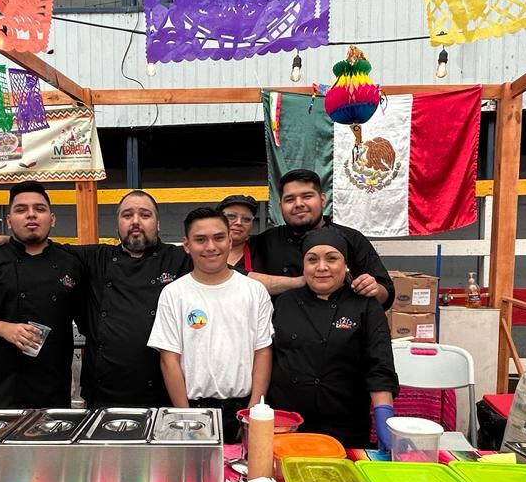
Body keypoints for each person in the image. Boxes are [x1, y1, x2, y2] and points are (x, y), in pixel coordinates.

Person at [0, 189, 191, 407]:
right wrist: (10, 240)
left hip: (163, 389)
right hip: (104, 392)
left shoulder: (181, 258)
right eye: (127, 215)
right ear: (117, 225)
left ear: (158, 224)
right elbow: (45, 247)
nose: (135, 221)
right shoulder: (95, 258)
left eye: (145, 215)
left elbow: (209, 255)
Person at [0, 182, 84, 409]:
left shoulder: (70, 262)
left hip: (51, 390)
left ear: (52, 219)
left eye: (39, 209)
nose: (31, 214)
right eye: (21, 210)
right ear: (9, 221)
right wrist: (5, 329)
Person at [148, 207, 273, 443]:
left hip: (243, 410)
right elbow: (169, 359)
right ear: (186, 245)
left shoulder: (254, 291)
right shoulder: (174, 294)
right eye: (200, 240)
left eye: (218, 237)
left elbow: (263, 352)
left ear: (230, 240)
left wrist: (253, 413)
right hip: (192, 410)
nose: (211, 247)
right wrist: (186, 416)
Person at [268, 229, 399, 448]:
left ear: (345, 264)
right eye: (312, 260)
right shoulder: (284, 302)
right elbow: (266, 358)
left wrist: (384, 420)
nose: (321, 267)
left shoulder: (365, 305)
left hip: (346, 429)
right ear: (303, 266)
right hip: (287, 428)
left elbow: (379, 367)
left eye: (331, 258)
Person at [248, 169, 394, 308]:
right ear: (280, 206)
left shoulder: (352, 238)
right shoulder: (264, 242)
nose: (299, 204)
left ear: (322, 200)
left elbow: (385, 293)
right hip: (278, 325)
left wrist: (372, 288)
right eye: (290, 199)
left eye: (307, 196)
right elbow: (238, 277)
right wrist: (298, 281)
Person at [218, 194, 258, 273]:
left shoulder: (264, 256)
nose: (239, 223)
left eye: (246, 219)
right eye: (231, 216)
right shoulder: (199, 253)